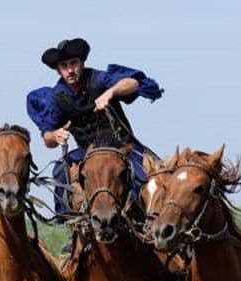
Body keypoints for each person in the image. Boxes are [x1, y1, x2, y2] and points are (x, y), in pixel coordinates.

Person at [26, 38, 163, 216]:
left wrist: (110, 92)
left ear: (82, 63)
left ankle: (151, 228)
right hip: (86, 151)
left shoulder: (100, 79)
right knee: (61, 171)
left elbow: (133, 83)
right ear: (58, 70)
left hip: (123, 147)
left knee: (154, 179)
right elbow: (47, 139)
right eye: (64, 66)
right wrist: (55, 135)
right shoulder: (55, 97)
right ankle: (72, 224)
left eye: (73, 63)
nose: (69, 70)